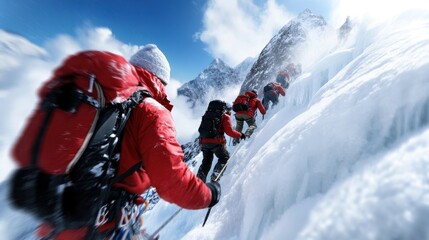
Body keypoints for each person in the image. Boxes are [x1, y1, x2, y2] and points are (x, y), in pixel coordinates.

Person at [26, 44, 221, 239]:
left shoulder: (100, 98)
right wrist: (209, 194)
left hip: (55, 221)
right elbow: (172, 180)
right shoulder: (151, 111)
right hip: (102, 227)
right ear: (160, 80)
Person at [197, 100, 245, 182]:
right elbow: (230, 132)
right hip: (216, 143)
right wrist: (240, 135)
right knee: (224, 158)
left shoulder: (207, 115)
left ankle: (198, 181)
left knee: (206, 162)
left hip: (204, 142)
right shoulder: (224, 116)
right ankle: (215, 177)